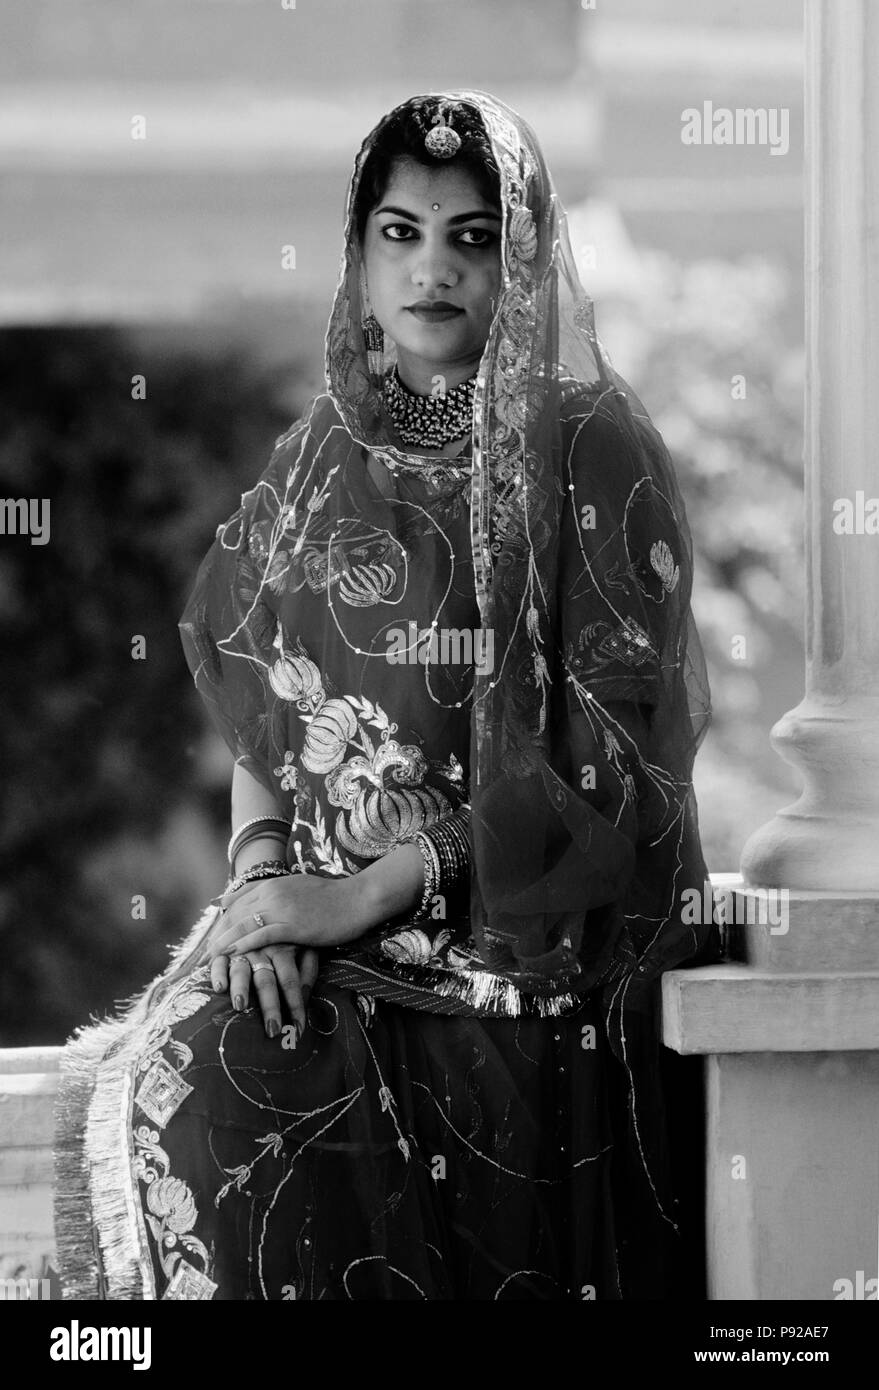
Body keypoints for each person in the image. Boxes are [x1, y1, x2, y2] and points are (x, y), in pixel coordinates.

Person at [54, 90, 720, 1302]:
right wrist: (264, 887)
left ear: (519, 261)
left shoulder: (591, 448)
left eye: (473, 237)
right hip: (331, 925)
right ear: (358, 259)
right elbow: (257, 685)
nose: (433, 269)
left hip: (521, 961)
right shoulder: (323, 452)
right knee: (190, 1069)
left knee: (231, 1097)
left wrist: (355, 894)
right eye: (400, 233)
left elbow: (611, 770)